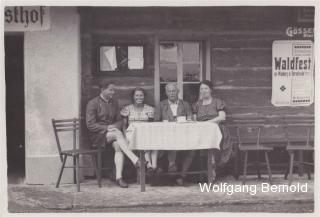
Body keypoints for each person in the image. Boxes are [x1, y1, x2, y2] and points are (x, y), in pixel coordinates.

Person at [86, 80, 141, 188]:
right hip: (97, 136)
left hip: (113, 134)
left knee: (118, 146)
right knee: (118, 134)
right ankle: (135, 160)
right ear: (102, 90)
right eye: (111, 90)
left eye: (113, 90)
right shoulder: (93, 103)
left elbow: (120, 121)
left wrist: (114, 126)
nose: (113, 92)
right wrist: (107, 128)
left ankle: (118, 177)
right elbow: (90, 125)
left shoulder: (114, 102)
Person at [155, 83, 194, 186]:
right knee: (171, 143)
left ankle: (182, 175)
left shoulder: (185, 104)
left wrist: (186, 121)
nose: (172, 93)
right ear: (166, 93)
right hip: (165, 135)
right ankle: (171, 165)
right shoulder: (161, 105)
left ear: (178, 92)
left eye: (174, 91)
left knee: (192, 150)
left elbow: (190, 118)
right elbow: (156, 121)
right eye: (169, 91)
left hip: (183, 135)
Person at [192, 80, 232, 179]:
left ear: (211, 90)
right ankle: (210, 170)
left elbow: (222, 117)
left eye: (206, 88)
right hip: (202, 132)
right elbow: (194, 120)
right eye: (201, 89)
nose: (203, 91)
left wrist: (207, 123)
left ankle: (212, 169)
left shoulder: (218, 102)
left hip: (218, 130)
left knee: (212, 142)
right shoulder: (197, 105)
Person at [120, 87, 158, 175]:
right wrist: (125, 136)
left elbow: (152, 124)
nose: (139, 97)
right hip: (131, 133)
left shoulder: (149, 109)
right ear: (133, 97)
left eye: (141, 95)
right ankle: (150, 166)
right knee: (143, 140)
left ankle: (151, 166)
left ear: (144, 97)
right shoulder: (127, 109)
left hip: (146, 133)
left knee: (150, 141)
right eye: (137, 95)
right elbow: (124, 125)